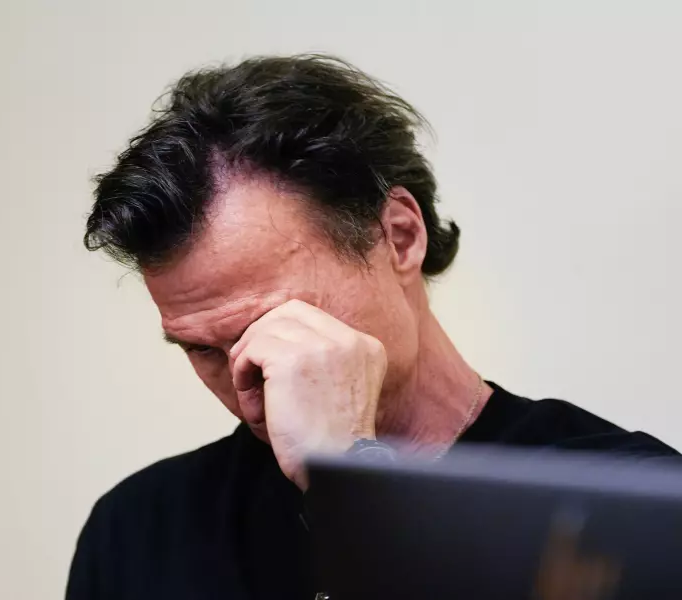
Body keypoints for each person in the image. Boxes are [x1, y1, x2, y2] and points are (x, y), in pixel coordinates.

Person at [66, 55, 678, 600]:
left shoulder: (628, 506)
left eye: (274, 325)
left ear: (401, 237)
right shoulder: (141, 529)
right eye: (202, 349)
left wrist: (348, 478)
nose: (248, 385)